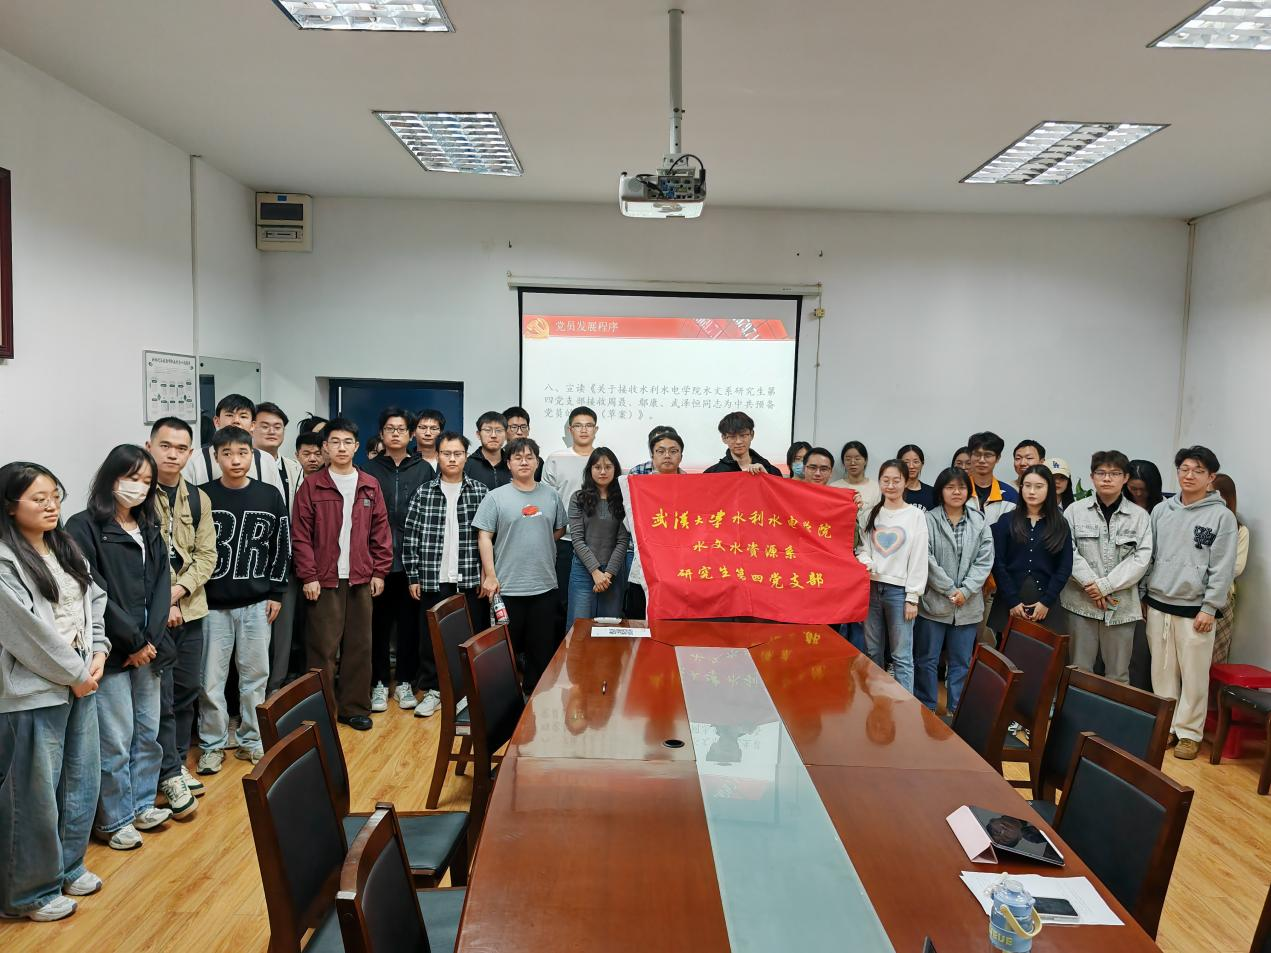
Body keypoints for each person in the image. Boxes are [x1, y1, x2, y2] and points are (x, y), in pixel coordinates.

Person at [0, 463, 107, 921]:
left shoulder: (64, 546)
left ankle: (67, 866)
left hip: (81, 676)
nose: (51, 506)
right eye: (38, 498)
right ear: (10, 506)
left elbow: (94, 599)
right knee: (34, 793)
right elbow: (28, 633)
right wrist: (76, 674)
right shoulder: (5, 561)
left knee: (81, 779)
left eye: (55, 496)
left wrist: (99, 649)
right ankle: (29, 893)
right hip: (35, 689)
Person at [67, 446, 172, 850]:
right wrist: (134, 640)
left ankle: (143, 803)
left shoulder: (149, 525)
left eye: (146, 481)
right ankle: (114, 819)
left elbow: (161, 585)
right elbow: (94, 591)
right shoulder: (83, 526)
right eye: (132, 478)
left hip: (149, 649)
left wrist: (152, 639)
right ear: (111, 477)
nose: (139, 487)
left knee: (147, 732)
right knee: (114, 739)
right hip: (111, 652)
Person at [194, 427, 289, 772]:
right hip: (212, 605)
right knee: (210, 681)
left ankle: (252, 740)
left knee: (255, 677)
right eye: (227, 454)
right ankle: (212, 744)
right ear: (216, 457)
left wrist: (276, 592)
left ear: (252, 455)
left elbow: (282, 545)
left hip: (257, 603)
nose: (235, 460)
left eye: (242, 453)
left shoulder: (269, 495)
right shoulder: (201, 496)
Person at [292, 419, 393, 732]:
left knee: (360, 646)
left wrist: (380, 570)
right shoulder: (313, 485)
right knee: (322, 649)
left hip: (361, 578)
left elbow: (380, 531)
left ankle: (354, 708)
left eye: (347, 442)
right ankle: (321, 712)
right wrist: (308, 576)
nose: (341, 448)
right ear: (325, 447)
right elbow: (300, 535)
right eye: (334, 442)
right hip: (324, 580)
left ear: (357, 446)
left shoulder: (369, 484)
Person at [1144, 446, 1238, 760]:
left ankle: (1189, 734)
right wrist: (1144, 595)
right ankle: (1167, 727)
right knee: (1162, 671)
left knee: (1195, 675)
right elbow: (1150, 555)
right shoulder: (1161, 511)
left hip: (1196, 609)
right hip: (1158, 602)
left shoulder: (1221, 516)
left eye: (1198, 470)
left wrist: (1210, 607)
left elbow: (1223, 567)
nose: (1189, 475)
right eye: (1184, 469)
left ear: (1211, 477)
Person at [144, 418, 214, 817]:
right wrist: (164, 601)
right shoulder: (137, 494)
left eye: (181, 448)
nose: (173, 454)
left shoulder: (199, 498)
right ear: (150, 446)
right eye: (165, 446)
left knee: (188, 688)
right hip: (154, 616)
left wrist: (179, 591)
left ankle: (177, 762)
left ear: (190, 453)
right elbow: (143, 558)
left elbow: (207, 555)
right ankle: (164, 770)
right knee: (162, 695)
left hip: (192, 608)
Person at [401, 432, 489, 719]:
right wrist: (413, 576)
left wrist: (487, 574)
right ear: (437, 456)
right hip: (432, 578)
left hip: (470, 579)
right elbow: (411, 536)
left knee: (468, 638)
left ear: (466, 457)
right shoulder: (424, 492)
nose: (452, 459)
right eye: (446, 453)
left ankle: (466, 693)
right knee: (432, 640)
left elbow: (490, 537)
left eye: (457, 454)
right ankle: (433, 690)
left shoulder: (480, 492)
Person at [474, 438, 567, 690]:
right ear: (509, 463)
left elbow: (559, 529)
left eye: (529, 457)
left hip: (544, 587)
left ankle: (534, 699)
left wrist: (536, 540)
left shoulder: (551, 495)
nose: (524, 462)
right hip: (507, 588)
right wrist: (490, 575)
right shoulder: (495, 497)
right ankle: (505, 703)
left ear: (537, 462)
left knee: (541, 651)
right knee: (505, 652)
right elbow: (484, 536)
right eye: (518, 457)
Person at [1060, 451, 1152, 685]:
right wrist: (1092, 585)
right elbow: (1068, 551)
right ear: (1092, 477)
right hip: (1081, 603)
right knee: (1079, 671)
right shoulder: (1074, 512)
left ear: (1125, 478)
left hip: (1121, 606)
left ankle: (1114, 712)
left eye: (1114, 473)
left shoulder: (1139, 516)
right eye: (1101, 473)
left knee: (1118, 675)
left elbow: (1141, 559)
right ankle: (1077, 711)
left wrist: (1106, 586)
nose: (1107, 478)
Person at [365, 407, 434, 714]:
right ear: (382, 434)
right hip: (376, 563)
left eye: (401, 429)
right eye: (390, 429)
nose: (395, 434)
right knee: (377, 626)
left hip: (411, 563)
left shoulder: (424, 470)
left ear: (410, 434)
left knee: (409, 626)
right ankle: (379, 682)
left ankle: (404, 681)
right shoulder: (368, 470)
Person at [914, 467, 993, 714]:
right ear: (941, 491)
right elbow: (925, 558)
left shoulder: (979, 521)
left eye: (961, 487)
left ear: (968, 491)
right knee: (927, 659)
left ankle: (955, 709)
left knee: (961, 662)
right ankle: (926, 706)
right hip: (934, 604)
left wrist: (966, 590)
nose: (956, 492)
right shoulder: (928, 519)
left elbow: (985, 560)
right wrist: (949, 589)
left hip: (968, 605)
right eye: (950, 487)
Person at [855, 460, 929, 693]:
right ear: (879, 482)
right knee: (872, 650)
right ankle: (875, 699)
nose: (891, 485)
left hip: (900, 592)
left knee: (902, 655)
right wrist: (867, 562)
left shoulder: (916, 515)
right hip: (871, 588)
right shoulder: (871, 513)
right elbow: (862, 548)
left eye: (896, 480)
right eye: (885, 480)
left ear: (906, 482)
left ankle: (906, 706)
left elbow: (919, 556)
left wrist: (912, 597)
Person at [253, 403, 305, 695]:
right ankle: (252, 696)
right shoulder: (245, 464)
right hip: (255, 561)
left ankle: (276, 690)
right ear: (252, 428)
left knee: (283, 632)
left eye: (278, 427)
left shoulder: (293, 467)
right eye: (265, 425)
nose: (272, 431)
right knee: (254, 633)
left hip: (286, 559)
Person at [988, 464, 1073, 634]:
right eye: (1027, 486)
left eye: (1039, 486)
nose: (1032, 491)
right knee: (1006, 648)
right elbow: (998, 563)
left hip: (1045, 603)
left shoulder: (1060, 523)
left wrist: (1046, 602)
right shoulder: (1007, 520)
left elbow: (1064, 567)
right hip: (1009, 601)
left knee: (1043, 648)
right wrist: (1012, 600)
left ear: (1049, 489)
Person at [544, 407, 601, 630]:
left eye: (588, 425)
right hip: (565, 541)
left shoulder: (603, 459)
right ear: (570, 429)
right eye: (578, 425)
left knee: (595, 601)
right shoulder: (556, 458)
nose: (584, 430)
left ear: (596, 429)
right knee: (562, 600)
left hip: (597, 542)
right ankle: (564, 648)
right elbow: (547, 500)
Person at [620, 428, 683, 619]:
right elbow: (628, 524)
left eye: (673, 451)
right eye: (661, 451)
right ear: (652, 456)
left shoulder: (692, 484)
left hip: (680, 565)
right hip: (646, 563)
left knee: (675, 619)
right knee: (640, 618)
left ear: (681, 456)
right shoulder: (639, 484)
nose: (667, 455)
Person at [567, 448, 630, 625]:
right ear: (590, 470)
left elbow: (623, 540)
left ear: (615, 469)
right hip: (583, 571)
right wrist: (595, 572)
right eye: (597, 467)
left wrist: (607, 575)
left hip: (613, 572)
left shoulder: (624, 500)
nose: (603, 471)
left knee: (609, 626)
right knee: (578, 626)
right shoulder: (578, 498)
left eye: (608, 467)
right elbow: (577, 540)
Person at [181, 394, 285, 495]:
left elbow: (277, 500)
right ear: (217, 421)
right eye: (229, 415)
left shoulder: (266, 460)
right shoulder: (194, 460)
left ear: (253, 425)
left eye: (243, 416)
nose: (236, 421)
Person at [1210, 474, 1249, 665]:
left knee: (1215, 655)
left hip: (1221, 596)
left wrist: (1209, 573)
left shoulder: (1240, 530)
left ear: (1226, 497)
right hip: (1190, 593)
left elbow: (1237, 567)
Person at [965, 431, 1019, 524]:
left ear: (997, 458)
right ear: (970, 456)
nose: (982, 460)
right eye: (977, 454)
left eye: (988, 455)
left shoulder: (1010, 495)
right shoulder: (957, 491)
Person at [705, 412, 782, 475]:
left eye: (743, 435)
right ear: (724, 438)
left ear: (752, 435)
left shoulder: (772, 471)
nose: (738, 441)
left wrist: (766, 476)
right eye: (732, 436)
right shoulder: (712, 474)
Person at [830, 441, 881, 516]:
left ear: (865, 460)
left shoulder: (876, 487)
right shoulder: (834, 487)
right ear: (843, 462)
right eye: (848, 459)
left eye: (857, 458)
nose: (852, 463)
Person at [465, 411, 511, 491]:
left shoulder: (513, 463)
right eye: (487, 430)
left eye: (499, 430)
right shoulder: (467, 465)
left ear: (506, 435)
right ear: (478, 434)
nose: (493, 435)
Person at [503, 406, 544, 480]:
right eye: (514, 427)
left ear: (528, 430)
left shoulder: (537, 462)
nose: (519, 432)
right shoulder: (497, 459)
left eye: (523, 427)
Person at [896, 444, 936, 511]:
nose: (911, 466)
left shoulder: (932, 493)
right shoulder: (893, 491)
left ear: (922, 464)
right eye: (906, 462)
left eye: (916, 462)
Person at [413, 409, 445, 475]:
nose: (428, 433)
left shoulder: (449, 460)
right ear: (413, 432)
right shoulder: (406, 461)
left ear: (441, 433)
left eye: (433, 429)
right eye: (423, 428)